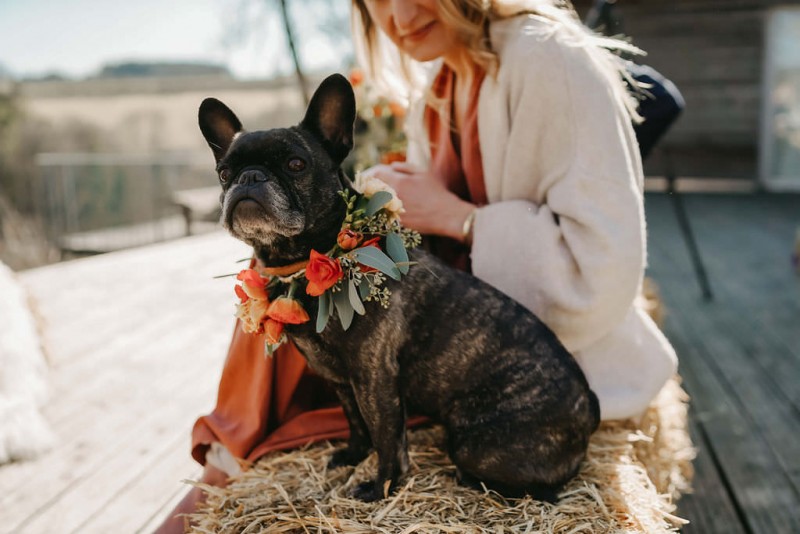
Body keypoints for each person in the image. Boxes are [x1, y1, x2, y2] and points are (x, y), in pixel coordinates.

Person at [155, 1, 678, 531]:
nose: (400, 14)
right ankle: (228, 455)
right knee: (280, 304)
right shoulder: (438, 86)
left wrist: (458, 217)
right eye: (376, 0)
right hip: (440, 350)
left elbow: (604, 268)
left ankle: (229, 457)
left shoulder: (553, 60)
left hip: (547, 368)